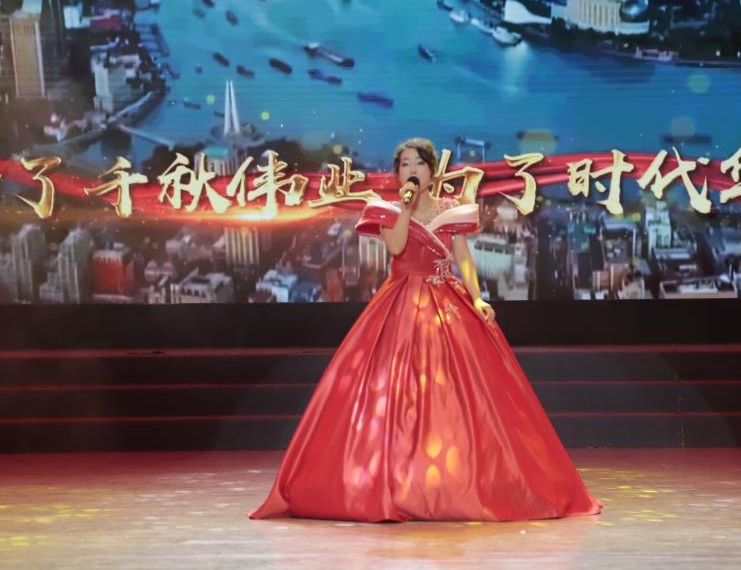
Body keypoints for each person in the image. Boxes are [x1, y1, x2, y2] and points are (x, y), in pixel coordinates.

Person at [250, 138, 601, 522]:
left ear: (432, 171)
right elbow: (397, 246)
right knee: (393, 397)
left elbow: (463, 257)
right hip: (400, 303)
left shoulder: (452, 210)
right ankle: (397, 481)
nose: (411, 170)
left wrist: (477, 298)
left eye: (418, 163)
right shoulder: (386, 210)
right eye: (404, 164)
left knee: (458, 394)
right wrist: (404, 206)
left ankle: (452, 481)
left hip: (445, 303)